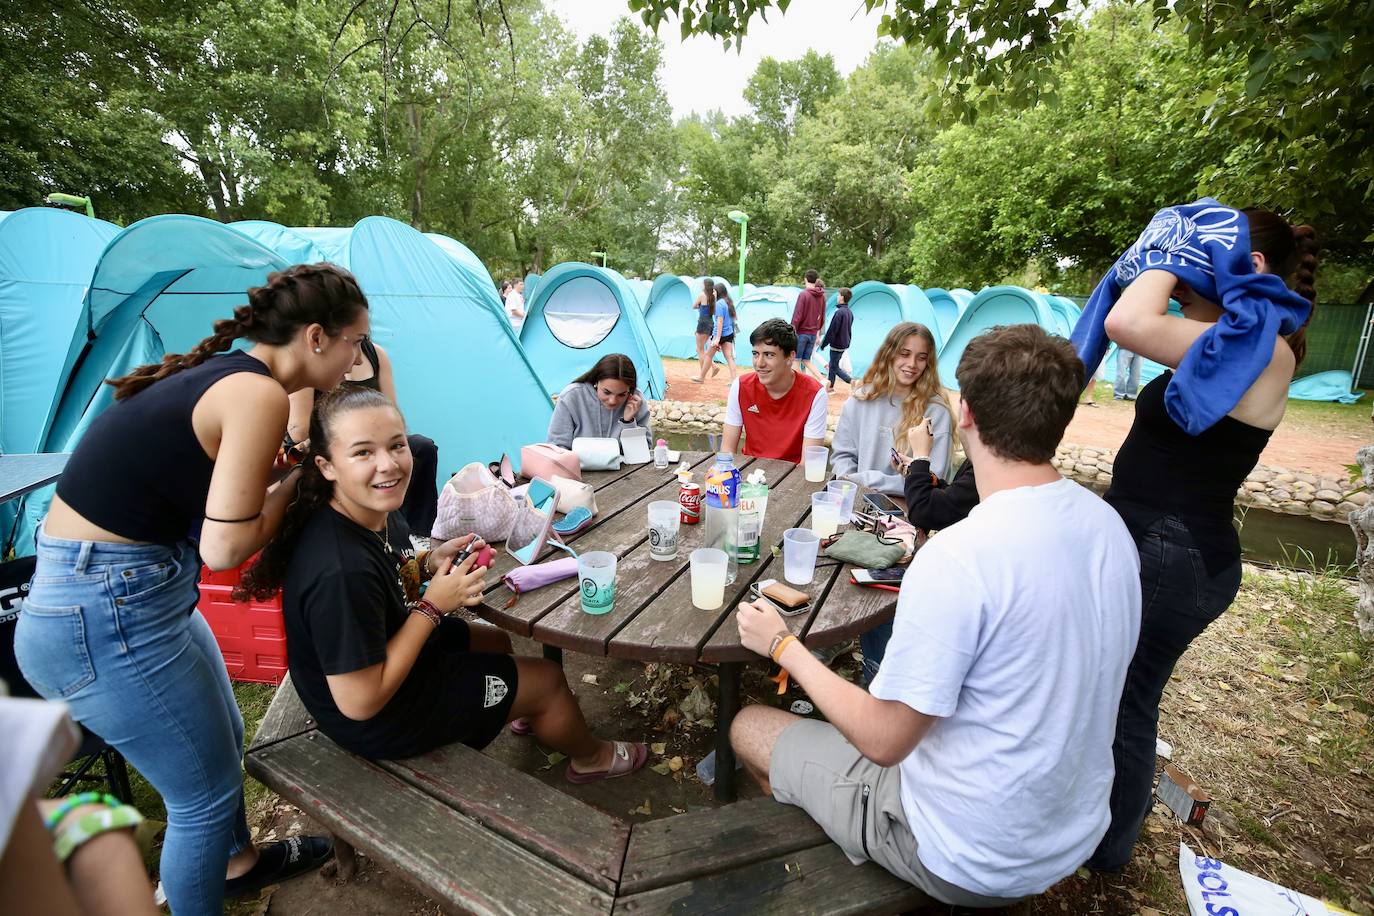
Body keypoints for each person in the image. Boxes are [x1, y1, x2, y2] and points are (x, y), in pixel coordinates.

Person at [729, 324, 1140, 907]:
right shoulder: (1110, 529)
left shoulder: (959, 557)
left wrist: (782, 646)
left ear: (965, 414)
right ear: (1062, 418)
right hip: (1069, 832)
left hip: (966, 854)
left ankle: (832, 877)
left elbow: (883, 740)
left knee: (749, 726)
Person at [14, 263, 361, 915]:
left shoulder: (230, 376)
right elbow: (225, 546)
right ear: (317, 337)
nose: (358, 358)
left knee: (223, 740)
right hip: (104, 614)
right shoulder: (254, 393)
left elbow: (208, 505)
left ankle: (236, 864)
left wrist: (285, 466)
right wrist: (302, 486)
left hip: (123, 595)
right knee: (198, 800)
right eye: (354, 343)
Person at [238, 386, 648, 781]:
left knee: (496, 642)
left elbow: (386, 571)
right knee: (549, 681)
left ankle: (525, 709)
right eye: (363, 452)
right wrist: (433, 607)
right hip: (376, 719)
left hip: (389, 646)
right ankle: (591, 758)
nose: (389, 464)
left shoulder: (373, 506)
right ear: (326, 465)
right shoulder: (338, 570)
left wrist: (427, 563)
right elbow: (360, 702)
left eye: (396, 445)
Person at [1085, 209, 1318, 872]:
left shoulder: (1262, 346)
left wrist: (1165, 251)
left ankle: (1104, 858)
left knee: (1125, 708)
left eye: (1206, 254)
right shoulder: (1230, 338)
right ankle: (1096, 830)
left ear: (1252, 268)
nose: (1188, 270)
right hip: (1169, 550)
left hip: (1174, 556)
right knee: (1117, 699)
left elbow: (1126, 322)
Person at [859, 419, 981, 685]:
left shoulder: (986, 464)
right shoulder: (988, 462)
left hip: (955, 592)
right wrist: (917, 472)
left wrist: (922, 457)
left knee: (879, 603)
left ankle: (879, 683)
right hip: (959, 570)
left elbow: (925, 511)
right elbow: (954, 497)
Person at [286, 338, 440, 543]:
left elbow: (392, 414)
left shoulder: (375, 354)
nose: (357, 359)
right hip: (327, 445)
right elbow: (299, 433)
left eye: (360, 340)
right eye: (352, 341)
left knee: (421, 447)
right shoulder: (308, 360)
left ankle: (417, 535)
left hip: (375, 439)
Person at [831, 322, 952, 496]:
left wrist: (868, 480)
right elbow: (842, 457)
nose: (912, 363)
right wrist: (851, 483)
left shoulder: (937, 411)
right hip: (857, 499)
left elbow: (935, 478)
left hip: (911, 511)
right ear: (889, 354)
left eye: (921, 357)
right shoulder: (860, 399)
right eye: (904, 354)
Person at [721, 318, 828, 464]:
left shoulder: (815, 394)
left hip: (792, 478)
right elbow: (727, 451)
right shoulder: (740, 386)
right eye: (755, 354)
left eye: (769, 355)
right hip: (749, 475)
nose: (759, 363)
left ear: (790, 357)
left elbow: (808, 464)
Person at [547, 354, 652, 449]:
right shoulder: (571, 396)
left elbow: (644, 452)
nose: (612, 401)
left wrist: (629, 424)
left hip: (626, 469)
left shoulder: (635, 401)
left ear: (630, 390)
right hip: (577, 468)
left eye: (621, 394)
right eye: (606, 392)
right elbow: (557, 448)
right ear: (596, 381)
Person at [790, 269, 826, 381]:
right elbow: (822, 317)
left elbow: (797, 315)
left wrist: (791, 329)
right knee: (806, 360)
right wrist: (817, 331)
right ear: (816, 280)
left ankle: (801, 385)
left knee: (796, 361)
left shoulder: (804, 295)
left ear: (805, 279)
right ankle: (823, 380)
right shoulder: (822, 297)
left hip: (801, 333)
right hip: (812, 334)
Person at [702, 281, 739, 382]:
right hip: (729, 334)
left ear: (718, 292)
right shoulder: (728, 302)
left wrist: (717, 339)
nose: (713, 293)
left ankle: (701, 377)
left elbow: (719, 321)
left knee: (708, 356)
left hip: (719, 334)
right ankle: (734, 381)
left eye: (714, 291)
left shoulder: (719, 304)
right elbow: (733, 319)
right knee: (729, 358)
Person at [819, 286, 854, 391]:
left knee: (834, 367)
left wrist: (824, 343)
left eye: (838, 295)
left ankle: (851, 381)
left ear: (842, 297)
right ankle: (831, 386)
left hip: (837, 344)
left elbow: (832, 330)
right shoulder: (849, 312)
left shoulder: (839, 313)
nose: (837, 297)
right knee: (833, 364)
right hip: (844, 343)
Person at [691, 279, 718, 383]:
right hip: (711, 322)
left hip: (702, 322)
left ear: (705, 285)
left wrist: (700, 306)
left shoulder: (702, 295)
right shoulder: (714, 295)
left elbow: (694, 306)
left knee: (700, 349)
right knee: (701, 349)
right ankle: (713, 366)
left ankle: (701, 376)